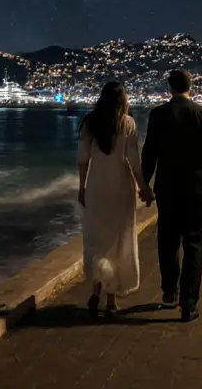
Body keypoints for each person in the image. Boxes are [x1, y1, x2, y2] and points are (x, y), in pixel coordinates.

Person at [141, 69, 202, 322]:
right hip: (197, 190)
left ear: (170, 88)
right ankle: (189, 304)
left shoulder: (157, 115)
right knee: (194, 244)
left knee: (167, 241)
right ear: (191, 86)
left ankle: (170, 290)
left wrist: (144, 185)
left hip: (167, 188)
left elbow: (149, 154)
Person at [77, 81, 154, 318]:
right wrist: (144, 187)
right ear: (123, 100)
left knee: (97, 239)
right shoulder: (127, 123)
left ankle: (96, 291)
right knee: (118, 240)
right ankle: (111, 301)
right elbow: (133, 160)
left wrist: (82, 187)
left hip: (96, 187)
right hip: (120, 188)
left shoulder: (89, 122)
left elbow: (82, 158)